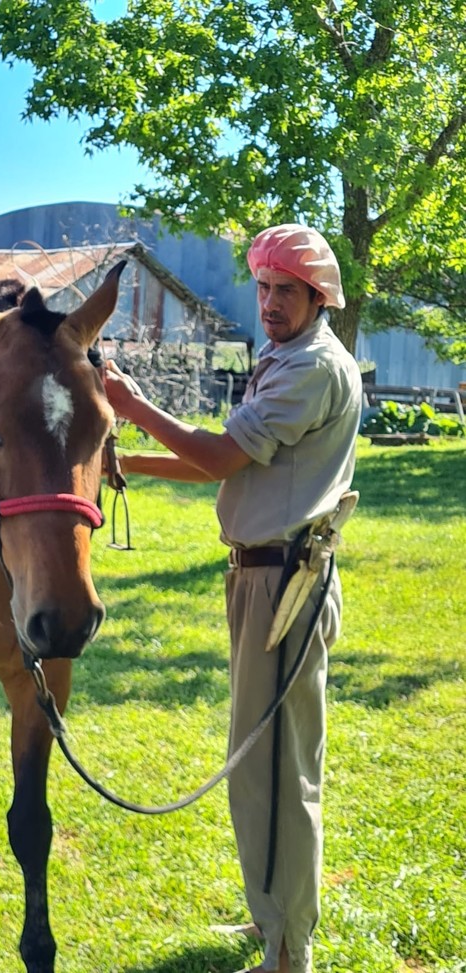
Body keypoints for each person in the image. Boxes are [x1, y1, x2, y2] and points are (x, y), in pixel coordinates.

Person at [103, 224, 362, 973]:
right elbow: (230, 467)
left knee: (278, 771)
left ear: (318, 298)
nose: (270, 301)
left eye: (286, 290)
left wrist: (129, 401)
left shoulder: (310, 367)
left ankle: (288, 946)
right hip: (262, 575)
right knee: (259, 765)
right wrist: (135, 462)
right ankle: (271, 913)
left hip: (285, 583)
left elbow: (217, 454)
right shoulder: (285, 358)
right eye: (263, 286)